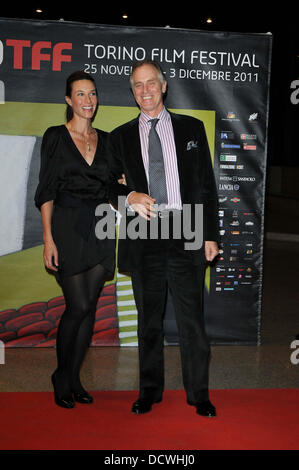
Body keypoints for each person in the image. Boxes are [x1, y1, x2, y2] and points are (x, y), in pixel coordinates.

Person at [108, 60, 219, 417]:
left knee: (192, 322)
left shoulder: (192, 128)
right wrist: (129, 197)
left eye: (151, 83)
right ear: (132, 91)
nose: (145, 91)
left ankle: (199, 394)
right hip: (144, 232)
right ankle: (149, 392)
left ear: (164, 85)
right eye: (138, 85)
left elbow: (206, 185)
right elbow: (105, 183)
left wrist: (210, 235)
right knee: (149, 322)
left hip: (186, 229)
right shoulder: (120, 135)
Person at [35, 71, 115, 409]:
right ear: (69, 100)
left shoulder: (108, 141)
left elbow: (114, 186)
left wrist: (130, 188)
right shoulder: (55, 136)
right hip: (66, 227)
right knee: (78, 306)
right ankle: (61, 376)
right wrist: (48, 239)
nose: (88, 100)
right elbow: (46, 191)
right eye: (80, 94)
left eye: (92, 94)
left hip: (101, 227)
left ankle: (75, 378)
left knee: (90, 309)